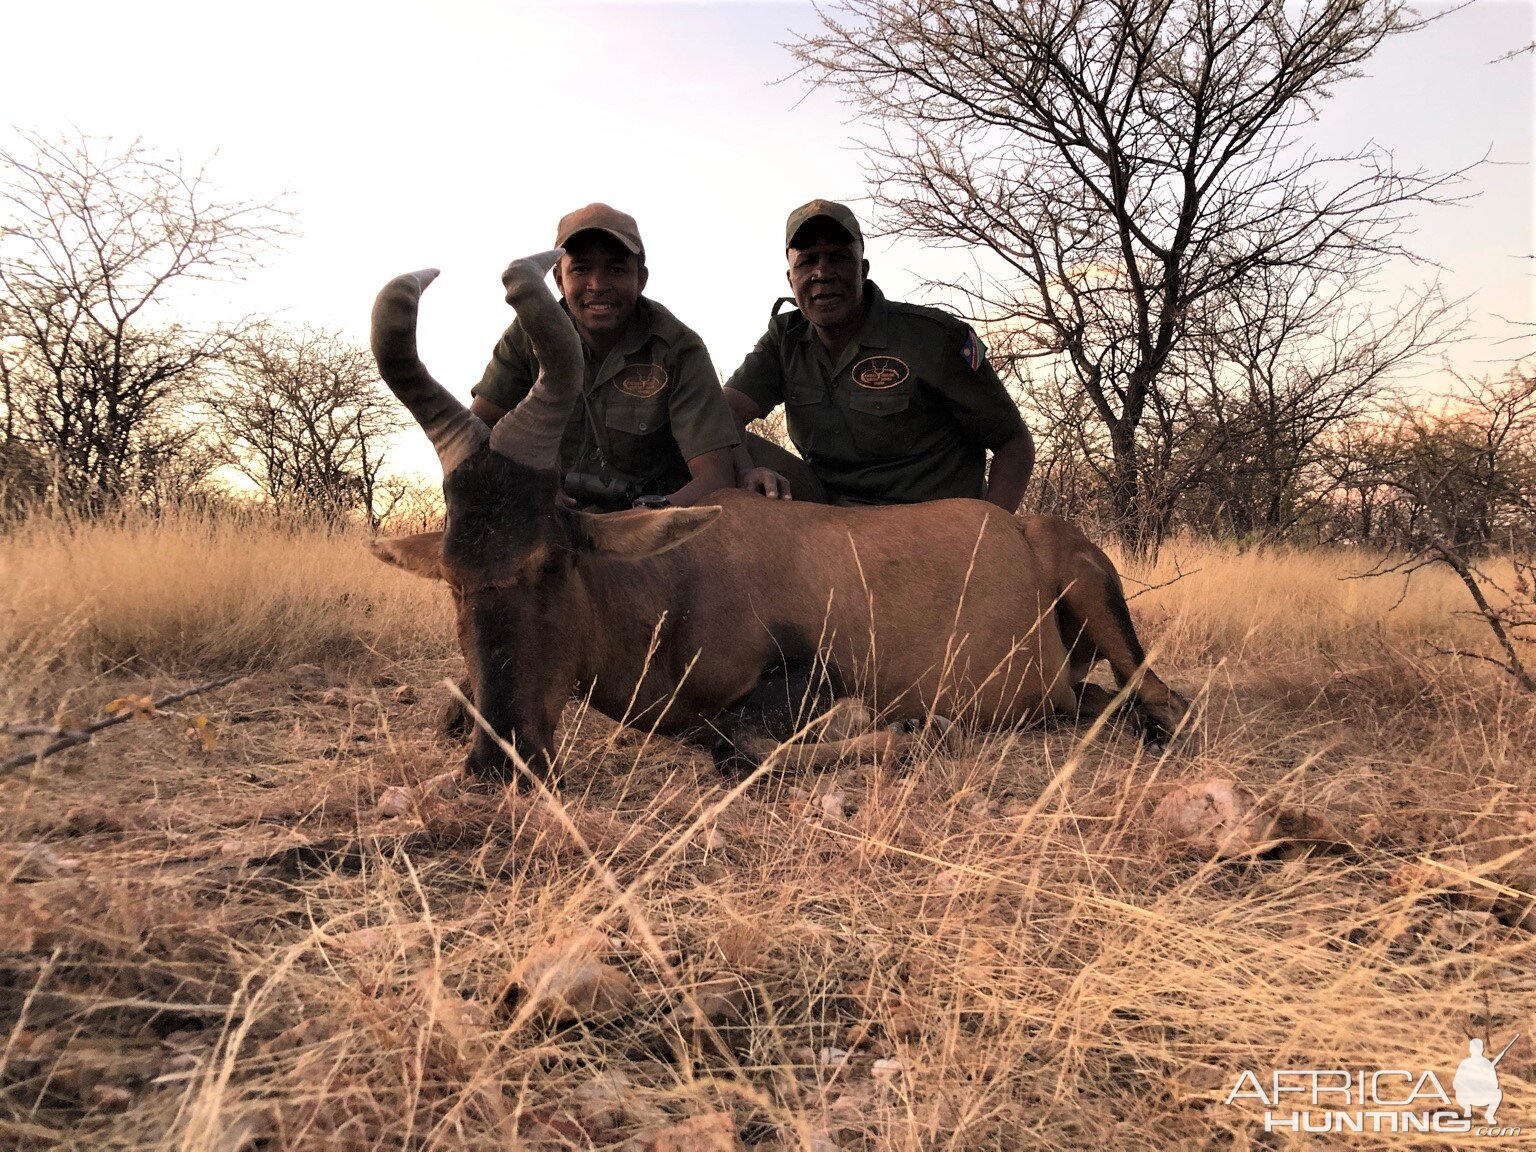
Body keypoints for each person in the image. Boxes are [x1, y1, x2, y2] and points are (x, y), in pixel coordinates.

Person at [723, 199, 1034, 510]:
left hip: (932, 519)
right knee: (706, 444)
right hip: (831, 513)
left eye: (838, 258)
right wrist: (746, 470)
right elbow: (722, 411)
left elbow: (1013, 441)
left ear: (863, 270)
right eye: (807, 261)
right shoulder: (783, 338)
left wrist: (993, 525)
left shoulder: (935, 336)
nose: (823, 272)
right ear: (791, 279)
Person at [469, 203, 738, 509]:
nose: (597, 286)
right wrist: (529, 489)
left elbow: (715, 477)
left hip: (653, 523)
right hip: (555, 519)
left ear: (641, 279)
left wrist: (647, 517)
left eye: (616, 269)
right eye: (581, 269)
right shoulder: (526, 335)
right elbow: (473, 436)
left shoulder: (679, 348)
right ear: (558, 279)